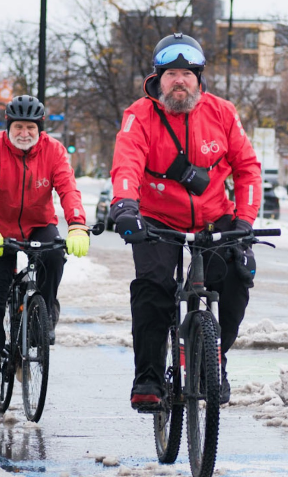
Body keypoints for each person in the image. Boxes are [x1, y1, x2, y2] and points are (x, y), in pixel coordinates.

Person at [108, 33, 262, 411]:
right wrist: (125, 205)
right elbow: (126, 164)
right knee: (153, 287)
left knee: (236, 278)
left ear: (199, 78)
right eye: (172, 73)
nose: (180, 81)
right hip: (157, 219)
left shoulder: (223, 113)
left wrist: (244, 220)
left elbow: (248, 169)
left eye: (188, 74)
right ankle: (148, 376)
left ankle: (216, 359)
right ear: (158, 78)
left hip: (214, 218)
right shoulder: (139, 115)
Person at [0, 95, 89, 400]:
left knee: (54, 256)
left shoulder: (54, 150)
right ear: (9, 126)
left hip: (38, 224)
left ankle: (43, 312)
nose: (24, 133)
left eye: (30, 127)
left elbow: (68, 189)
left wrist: (77, 224)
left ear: (40, 129)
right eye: (19, 126)